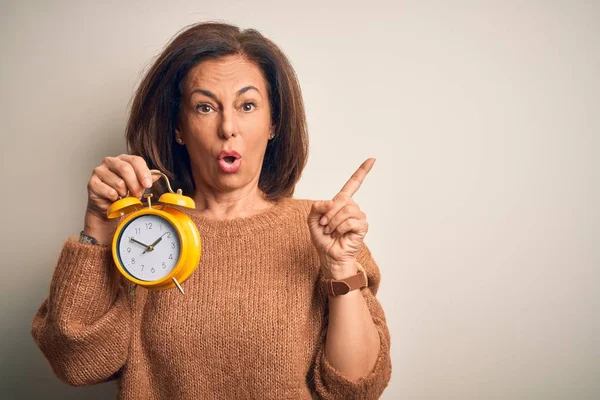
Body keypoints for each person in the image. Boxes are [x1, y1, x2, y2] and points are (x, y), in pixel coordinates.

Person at [31, 22, 392, 399]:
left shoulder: (323, 232)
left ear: (273, 124)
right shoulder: (142, 235)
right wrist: (98, 227)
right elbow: (76, 363)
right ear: (179, 128)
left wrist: (339, 269)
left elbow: (355, 388)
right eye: (205, 107)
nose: (228, 127)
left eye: (247, 105)